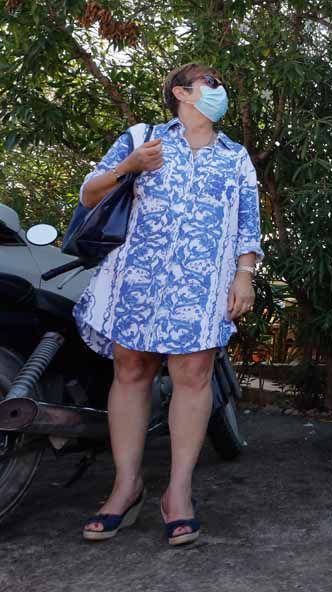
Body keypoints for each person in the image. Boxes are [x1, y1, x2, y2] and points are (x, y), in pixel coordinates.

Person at [75, 63, 262, 545]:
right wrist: (129, 167)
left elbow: (248, 224)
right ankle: (126, 486)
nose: (219, 90)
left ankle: (177, 493)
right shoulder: (145, 139)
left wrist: (244, 276)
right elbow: (89, 194)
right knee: (131, 370)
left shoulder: (234, 156)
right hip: (136, 278)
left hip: (202, 285)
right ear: (180, 92)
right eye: (211, 83)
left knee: (193, 375)